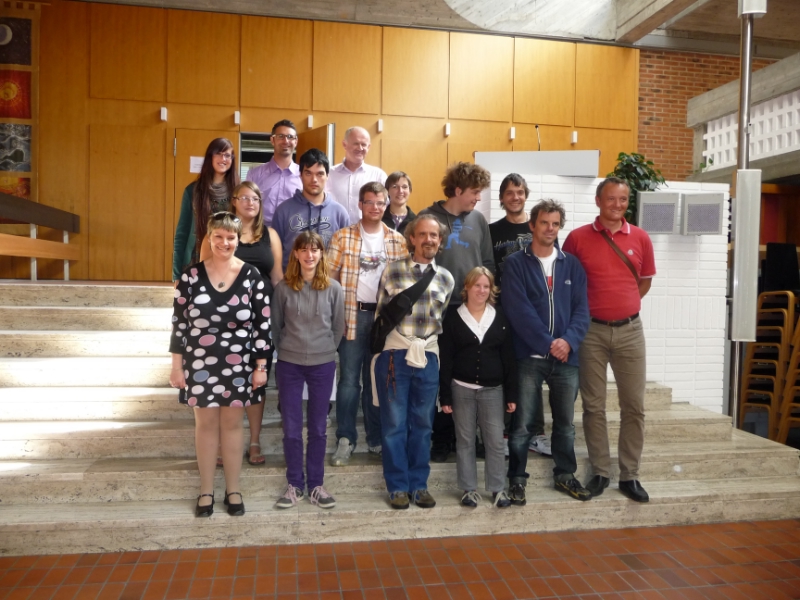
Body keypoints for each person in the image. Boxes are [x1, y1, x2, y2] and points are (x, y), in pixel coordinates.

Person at [169, 211, 271, 517]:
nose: (224, 242)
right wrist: (176, 366)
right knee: (205, 425)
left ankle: (233, 489)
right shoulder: (190, 277)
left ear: (238, 240)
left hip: (239, 364)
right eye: (219, 236)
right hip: (199, 362)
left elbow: (262, 325)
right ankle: (206, 490)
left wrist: (261, 367)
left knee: (232, 425)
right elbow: (179, 325)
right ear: (209, 238)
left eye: (230, 237)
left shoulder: (252, 276)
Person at [562, 177, 656, 503]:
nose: (617, 205)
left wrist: (623, 305)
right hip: (591, 332)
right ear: (598, 201)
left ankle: (630, 475)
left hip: (631, 332)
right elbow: (567, 284)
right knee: (593, 406)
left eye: (623, 199)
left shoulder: (641, 237)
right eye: (611, 199)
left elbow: (644, 282)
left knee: (634, 407)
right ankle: (600, 471)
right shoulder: (577, 238)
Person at [502, 200, 592, 505]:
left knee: (565, 426)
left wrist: (568, 342)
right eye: (544, 223)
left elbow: (582, 310)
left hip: (567, 358)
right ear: (532, 225)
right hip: (529, 357)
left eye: (555, 224)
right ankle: (517, 479)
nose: (550, 229)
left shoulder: (572, 265)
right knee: (522, 426)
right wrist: (548, 344)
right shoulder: (516, 264)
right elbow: (518, 310)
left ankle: (565, 475)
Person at [373, 214, 454, 509]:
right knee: (394, 425)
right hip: (395, 355)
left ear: (440, 241)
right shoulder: (392, 271)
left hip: (428, 357)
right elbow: (381, 315)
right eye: (422, 234)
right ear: (412, 238)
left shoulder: (446, 278)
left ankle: (419, 485)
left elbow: (441, 317)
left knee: (422, 424)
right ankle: (397, 487)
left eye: (434, 235)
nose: (428, 239)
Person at [326, 182, 409, 466]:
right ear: (360, 205)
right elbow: (328, 280)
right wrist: (333, 318)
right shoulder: (342, 237)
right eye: (369, 202)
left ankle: (375, 439)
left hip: (384, 321)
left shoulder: (397, 241)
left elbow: (403, 285)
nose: (375, 207)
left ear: (386, 205)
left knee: (376, 381)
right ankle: (345, 439)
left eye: (380, 202)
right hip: (352, 316)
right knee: (349, 381)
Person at [419, 162, 495, 463]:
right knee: (441, 372)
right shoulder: (428, 217)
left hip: (471, 309)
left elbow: (487, 262)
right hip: (436, 310)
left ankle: (469, 436)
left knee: (468, 372)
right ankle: (441, 437)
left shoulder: (479, 220)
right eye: (474, 192)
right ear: (458, 189)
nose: (478, 198)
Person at [271, 231, 345, 509]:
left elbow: (338, 327)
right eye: (304, 249)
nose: (309, 255)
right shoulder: (283, 288)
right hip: (289, 365)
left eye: (315, 249)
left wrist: (324, 350)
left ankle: (316, 485)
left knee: (318, 428)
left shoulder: (334, 289)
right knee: (291, 429)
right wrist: (288, 350)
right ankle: (294, 485)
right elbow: (276, 327)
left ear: (321, 254)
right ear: (296, 254)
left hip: (322, 365)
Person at [439, 267, 517, 508]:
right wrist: (445, 396)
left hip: (493, 390)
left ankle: (498, 489)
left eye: (486, 286)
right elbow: (446, 359)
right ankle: (469, 489)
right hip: (461, 389)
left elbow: (509, 358)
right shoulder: (453, 317)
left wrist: (512, 394)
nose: (481, 290)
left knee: (495, 440)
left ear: (491, 289)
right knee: (465, 440)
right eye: (477, 285)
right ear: (467, 288)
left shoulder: (500, 317)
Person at [488, 173, 551, 457]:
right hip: (502, 310)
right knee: (505, 369)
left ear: (526, 195)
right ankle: (504, 433)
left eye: (520, 192)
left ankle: (536, 433)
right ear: (502, 198)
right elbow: (486, 269)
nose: (515, 197)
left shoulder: (538, 227)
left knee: (532, 369)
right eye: (510, 192)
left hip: (534, 313)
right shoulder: (491, 231)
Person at [229, 181, 283, 465]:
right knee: (227, 379)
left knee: (256, 381)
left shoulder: (270, 235)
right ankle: (226, 440)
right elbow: (205, 273)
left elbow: (277, 277)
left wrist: (284, 316)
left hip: (262, 320)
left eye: (256, 198)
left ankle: (253, 441)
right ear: (234, 201)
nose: (251, 202)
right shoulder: (222, 232)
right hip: (226, 320)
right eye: (245, 197)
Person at [272, 148, 350, 270]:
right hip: (291, 280)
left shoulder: (340, 213)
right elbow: (274, 254)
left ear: (327, 176)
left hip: (327, 280)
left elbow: (345, 256)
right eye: (308, 173)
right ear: (300, 175)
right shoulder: (283, 211)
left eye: (320, 174)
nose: (314, 179)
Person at [172, 138, 238, 281]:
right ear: (210, 157)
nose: (223, 159)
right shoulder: (192, 191)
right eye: (218, 154)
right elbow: (181, 234)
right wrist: (176, 275)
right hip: (195, 262)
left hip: (227, 263)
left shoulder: (238, 192)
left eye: (227, 155)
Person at [245, 119, 302, 227]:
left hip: (293, 234)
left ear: (296, 142)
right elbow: (246, 209)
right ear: (272, 140)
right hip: (261, 234)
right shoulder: (254, 174)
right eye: (281, 136)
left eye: (290, 137)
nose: (285, 141)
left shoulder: (303, 176)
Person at [326, 127, 387, 224]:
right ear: (344, 144)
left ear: (369, 147)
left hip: (366, 232)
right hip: (335, 231)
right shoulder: (329, 174)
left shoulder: (378, 175)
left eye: (364, 144)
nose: (360, 148)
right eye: (356, 143)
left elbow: (386, 207)